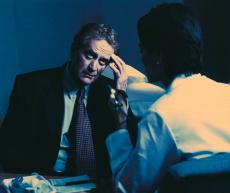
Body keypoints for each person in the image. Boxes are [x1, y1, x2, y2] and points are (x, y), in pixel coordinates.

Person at [106, 3, 230, 192]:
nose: (141, 57)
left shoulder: (161, 115)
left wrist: (121, 124)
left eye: (142, 49)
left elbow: (127, 190)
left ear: (158, 55)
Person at [0, 23, 130, 184]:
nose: (94, 67)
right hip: (44, 181)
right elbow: (9, 145)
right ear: (74, 51)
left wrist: (121, 93)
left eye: (102, 61)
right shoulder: (31, 86)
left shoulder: (108, 94)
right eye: (89, 55)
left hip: (93, 184)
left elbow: (124, 155)